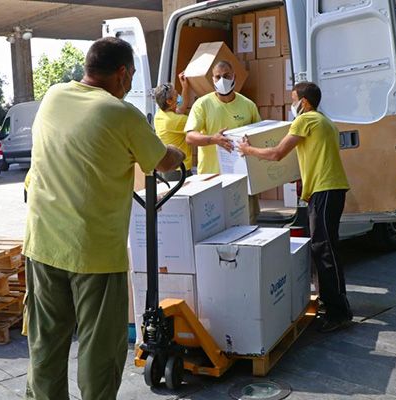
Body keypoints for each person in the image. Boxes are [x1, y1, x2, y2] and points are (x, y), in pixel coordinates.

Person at [23, 37, 185, 400]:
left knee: (45, 345)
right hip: (92, 251)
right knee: (100, 352)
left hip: (42, 243)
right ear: (122, 73)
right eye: (130, 78)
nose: (129, 86)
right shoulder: (120, 112)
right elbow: (162, 161)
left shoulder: (53, 96)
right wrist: (175, 150)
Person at [237, 82, 352, 333]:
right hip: (330, 190)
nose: (292, 105)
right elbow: (311, 157)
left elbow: (278, 153)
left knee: (323, 249)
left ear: (304, 102)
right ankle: (337, 304)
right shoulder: (324, 121)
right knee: (328, 248)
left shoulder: (305, 120)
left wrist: (247, 149)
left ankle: (337, 311)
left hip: (325, 190)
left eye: (293, 99)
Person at [185, 60, 262, 222]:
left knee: (247, 224)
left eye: (226, 76)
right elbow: (190, 137)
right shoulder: (202, 104)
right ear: (212, 79)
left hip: (242, 180)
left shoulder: (248, 106)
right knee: (215, 226)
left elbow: (259, 137)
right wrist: (213, 139)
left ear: (234, 76)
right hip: (211, 179)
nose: (222, 80)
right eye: (217, 77)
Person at [154, 72, 193, 181]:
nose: (178, 96)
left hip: (168, 167)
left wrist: (185, 87)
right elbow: (197, 124)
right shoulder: (176, 121)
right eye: (176, 94)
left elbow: (181, 108)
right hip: (179, 170)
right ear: (169, 101)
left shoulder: (160, 115)